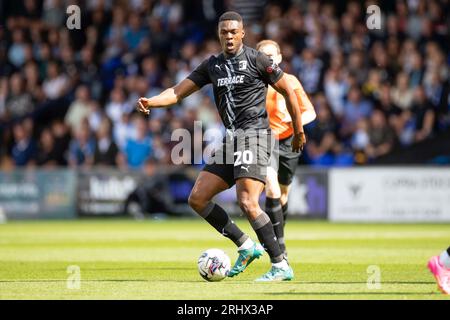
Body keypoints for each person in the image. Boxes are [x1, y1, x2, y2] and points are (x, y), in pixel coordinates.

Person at [137, 12, 306, 281]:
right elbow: (177, 92)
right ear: (219, 34)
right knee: (198, 197)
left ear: (242, 33)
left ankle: (280, 265)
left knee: (248, 201)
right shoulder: (212, 65)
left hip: (256, 136)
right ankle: (245, 245)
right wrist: (151, 102)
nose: (228, 36)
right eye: (224, 32)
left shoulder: (256, 59)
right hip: (232, 139)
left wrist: (298, 130)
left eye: (233, 32)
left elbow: (288, 90)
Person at [256, 40, 316, 257]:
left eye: (272, 55)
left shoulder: (290, 81)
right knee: (271, 187)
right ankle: (279, 249)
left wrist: (294, 121)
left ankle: (278, 235)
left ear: (280, 58)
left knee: (282, 194)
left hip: (290, 141)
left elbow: (310, 112)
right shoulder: (255, 82)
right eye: (264, 55)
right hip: (265, 140)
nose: (269, 58)